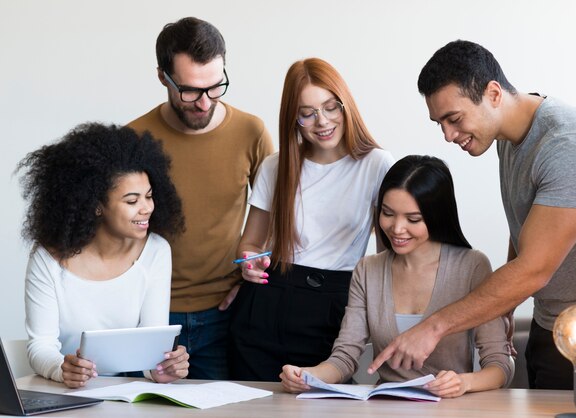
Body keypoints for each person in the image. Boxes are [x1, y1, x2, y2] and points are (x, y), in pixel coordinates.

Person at [369, 39, 576, 409]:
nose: (447, 136)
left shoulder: (571, 145)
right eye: (439, 122)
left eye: (454, 119)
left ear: (492, 94)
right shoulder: (507, 136)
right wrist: (503, 305)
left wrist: (433, 327)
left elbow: (535, 268)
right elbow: (526, 227)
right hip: (552, 328)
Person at [280, 155, 514, 397]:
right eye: (388, 213)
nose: (397, 228)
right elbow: (344, 357)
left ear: (437, 216)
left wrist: (463, 382)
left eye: (413, 219)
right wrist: (308, 376)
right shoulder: (368, 269)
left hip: (449, 410)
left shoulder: (472, 266)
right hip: (386, 407)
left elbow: (499, 366)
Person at [228, 57, 395, 381]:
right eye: (307, 113)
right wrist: (249, 263)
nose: (322, 121)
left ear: (345, 105)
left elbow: (386, 256)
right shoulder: (276, 167)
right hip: (266, 302)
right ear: (294, 119)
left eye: (331, 107)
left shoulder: (377, 164)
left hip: (334, 304)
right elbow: (249, 244)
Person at [127, 17, 274, 379]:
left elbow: (280, 214)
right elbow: (115, 232)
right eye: (190, 90)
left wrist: (250, 277)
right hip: (148, 316)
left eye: (215, 87)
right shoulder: (133, 138)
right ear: (163, 76)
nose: (204, 102)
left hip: (227, 314)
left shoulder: (251, 131)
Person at [18, 123, 189, 388]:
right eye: (132, 201)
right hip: (60, 392)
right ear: (96, 206)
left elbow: (151, 345)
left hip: (118, 394)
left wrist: (162, 368)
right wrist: (61, 369)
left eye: (149, 196)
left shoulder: (156, 250)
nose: (146, 209)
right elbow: (40, 346)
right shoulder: (48, 258)